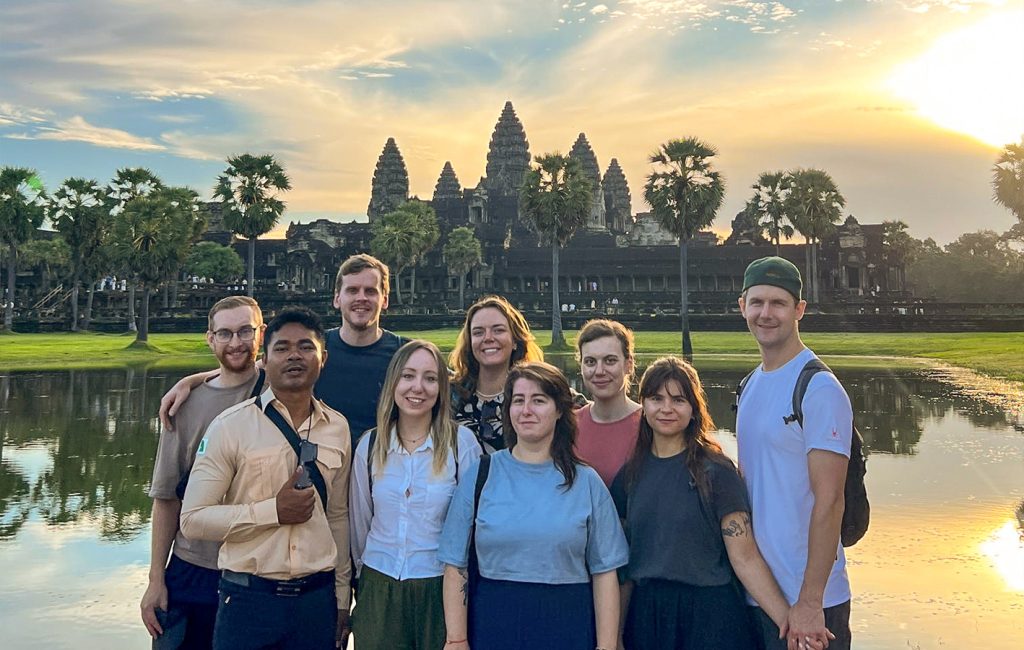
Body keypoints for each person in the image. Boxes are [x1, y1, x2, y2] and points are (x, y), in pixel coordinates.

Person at [180, 307, 353, 650]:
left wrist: (341, 596)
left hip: (315, 602)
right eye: (282, 347)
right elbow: (193, 520)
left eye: (306, 346)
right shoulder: (230, 427)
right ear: (264, 359)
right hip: (248, 601)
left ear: (323, 358)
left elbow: (338, 516)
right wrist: (273, 511)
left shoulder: (338, 428)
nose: (294, 355)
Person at [611, 357, 799, 650]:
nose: (666, 408)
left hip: (710, 615)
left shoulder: (717, 472)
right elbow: (621, 566)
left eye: (678, 400)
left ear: (694, 408)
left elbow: (745, 558)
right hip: (648, 615)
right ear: (643, 405)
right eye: (657, 398)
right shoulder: (630, 475)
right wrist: (615, 635)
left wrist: (788, 622)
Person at [438, 362, 627, 650]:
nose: (526, 410)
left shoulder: (586, 482)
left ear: (559, 410)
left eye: (538, 400)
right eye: (518, 400)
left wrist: (606, 646)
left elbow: (605, 573)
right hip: (492, 625)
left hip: (568, 625)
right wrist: (456, 639)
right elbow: (455, 565)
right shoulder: (481, 475)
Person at [159, 254, 404, 447]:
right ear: (337, 298)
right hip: (322, 469)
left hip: (384, 475)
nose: (361, 298)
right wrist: (191, 382)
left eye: (370, 291)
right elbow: (254, 370)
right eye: (352, 290)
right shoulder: (313, 348)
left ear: (384, 299)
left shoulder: (404, 354)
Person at [737, 256, 853, 650]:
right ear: (743, 307)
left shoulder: (819, 388)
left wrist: (810, 601)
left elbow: (830, 501)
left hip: (813, 603)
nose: (765, 314)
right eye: (757, 302)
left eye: (778, 303)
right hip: (760, 595)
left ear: (799, 309)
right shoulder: (750, 385)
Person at [141, 296, 266, 648]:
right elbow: (167, 497)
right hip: (193, 566)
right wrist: (156, 579)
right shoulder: (184, 405)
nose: (236, 342)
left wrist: (193, 377)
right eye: (224, 333)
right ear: (210, 339)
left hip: (257, 570)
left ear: (262, 333)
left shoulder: (283, 393)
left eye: (245, 331)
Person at [348, 340, 481, 650]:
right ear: (393, 382)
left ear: (441, 387)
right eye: (408, 376)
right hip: (380, 586)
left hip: (441, 588)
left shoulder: (461, 445)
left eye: (430, 378)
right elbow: (359, 523)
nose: (417, 387)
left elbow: (471, 528)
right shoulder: (370, 446)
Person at [449, 295, 543, 452]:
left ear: (515, 341)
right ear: (470, 342)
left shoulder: (538, 391)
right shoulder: (450, 395)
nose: (488, 338)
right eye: (478, 332)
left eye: (498, 330)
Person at [574, 319, 642, 487]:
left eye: (610, 360)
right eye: (590, 362)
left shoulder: (651, 425)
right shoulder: (568, 425)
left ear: (629, 365)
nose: (599, 371)